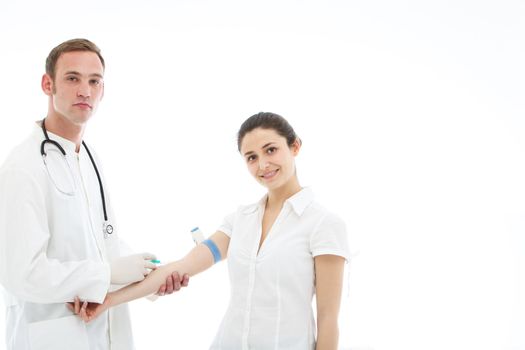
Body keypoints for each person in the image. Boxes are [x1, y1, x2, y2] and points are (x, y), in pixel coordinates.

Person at [74, 112, 349, 349]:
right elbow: (183, 266)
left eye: (271, 150)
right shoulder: (240, 221)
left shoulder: (324, 225)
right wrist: (109, 300)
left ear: (295, 146)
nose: (263, 165)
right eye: (251, 157)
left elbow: (327, 320)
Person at [0, 38, 188, 350]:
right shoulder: (23, 167)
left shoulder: (87, 157)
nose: (85, 91)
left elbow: (104, 241)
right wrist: (107, 273)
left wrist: (147, 278)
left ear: (103, 90)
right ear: (48, 84)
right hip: (50, 337)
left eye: (94, 81)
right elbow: (21, 273)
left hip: (102, 332)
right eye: (72, 78)